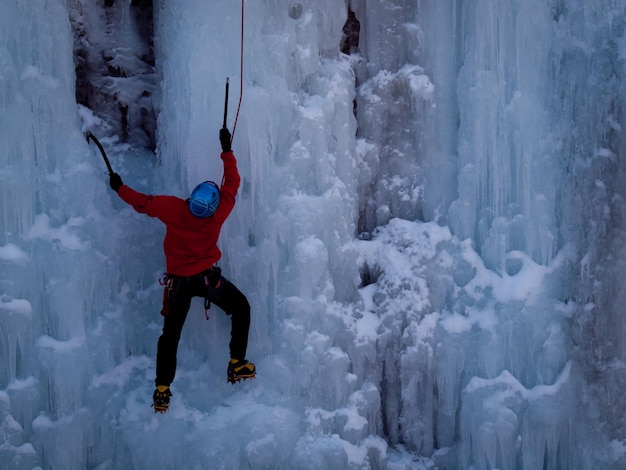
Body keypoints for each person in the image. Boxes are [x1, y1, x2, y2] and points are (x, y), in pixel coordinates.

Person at [108, 127, 255, 413]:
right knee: (241, 308)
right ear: (213, 208)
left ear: (190, 200)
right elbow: (232, 184)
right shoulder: (217, 215)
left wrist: (118, 187)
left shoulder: (173, 208)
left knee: (170, 336)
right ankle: (237, 362)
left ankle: (162, 389)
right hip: (207, 281)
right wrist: (226, 149)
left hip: (178, 285)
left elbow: (141, 203)